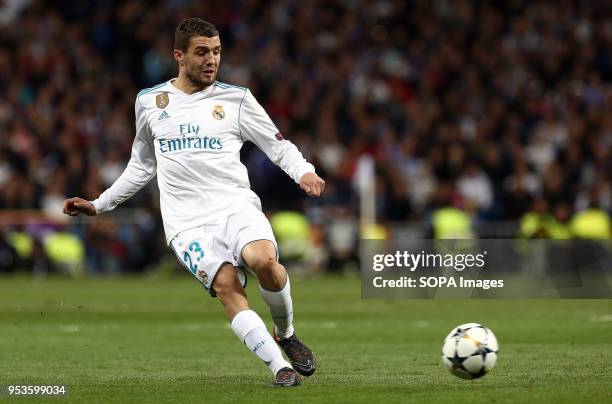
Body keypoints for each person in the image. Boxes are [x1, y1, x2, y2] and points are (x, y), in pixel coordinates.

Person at [62, 18, 325, 387]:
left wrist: (304, 172)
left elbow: (277, 144)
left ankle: (286, 333)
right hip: (186, 222)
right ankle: (278, 367)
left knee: (265, 263)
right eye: (201, 52)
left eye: (216, 52)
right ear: (179, 56)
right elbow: (141, 166)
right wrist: (99, 204)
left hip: (236, 205)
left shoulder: (237, 100)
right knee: (226, 285)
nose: (211, 60)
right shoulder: (150, 102)